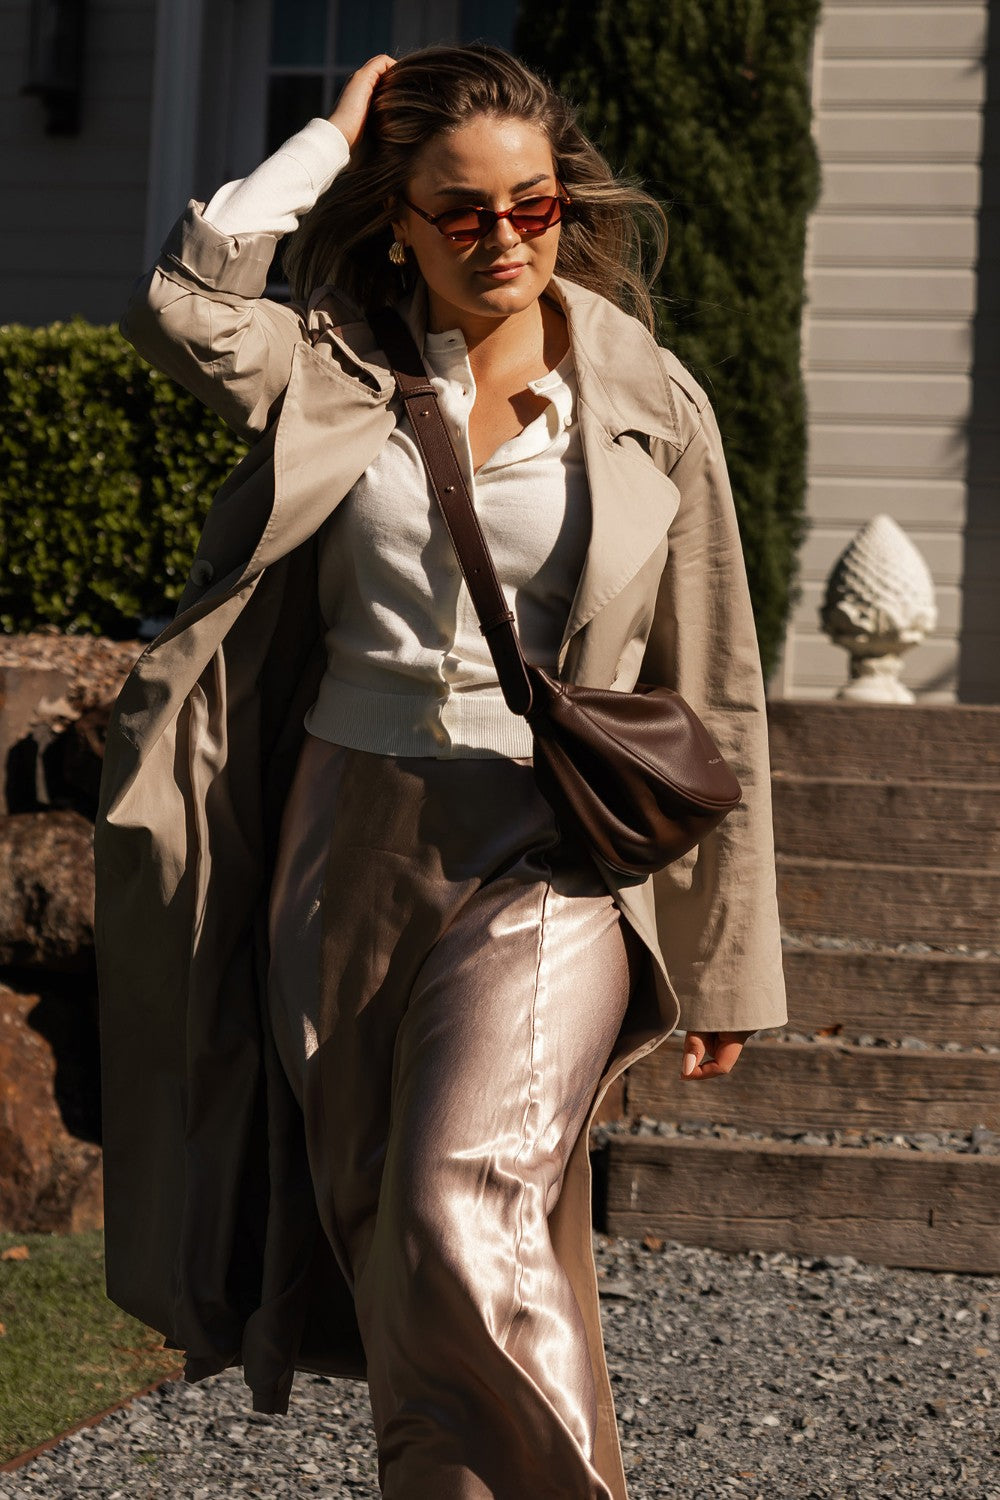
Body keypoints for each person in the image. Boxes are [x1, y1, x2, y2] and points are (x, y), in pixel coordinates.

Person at [94, 42, 787, 1500]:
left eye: (533, 207)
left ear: (565, 205)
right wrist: (325, 144)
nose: (505, 240)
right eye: (461, 211)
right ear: (399, 219)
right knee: (392, 1244)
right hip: (342, 838)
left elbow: (714, 681)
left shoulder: (648, 398)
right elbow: (182, 305)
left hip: (552, 848)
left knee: (456, 1198)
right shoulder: (330, 359)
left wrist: (726, 960)